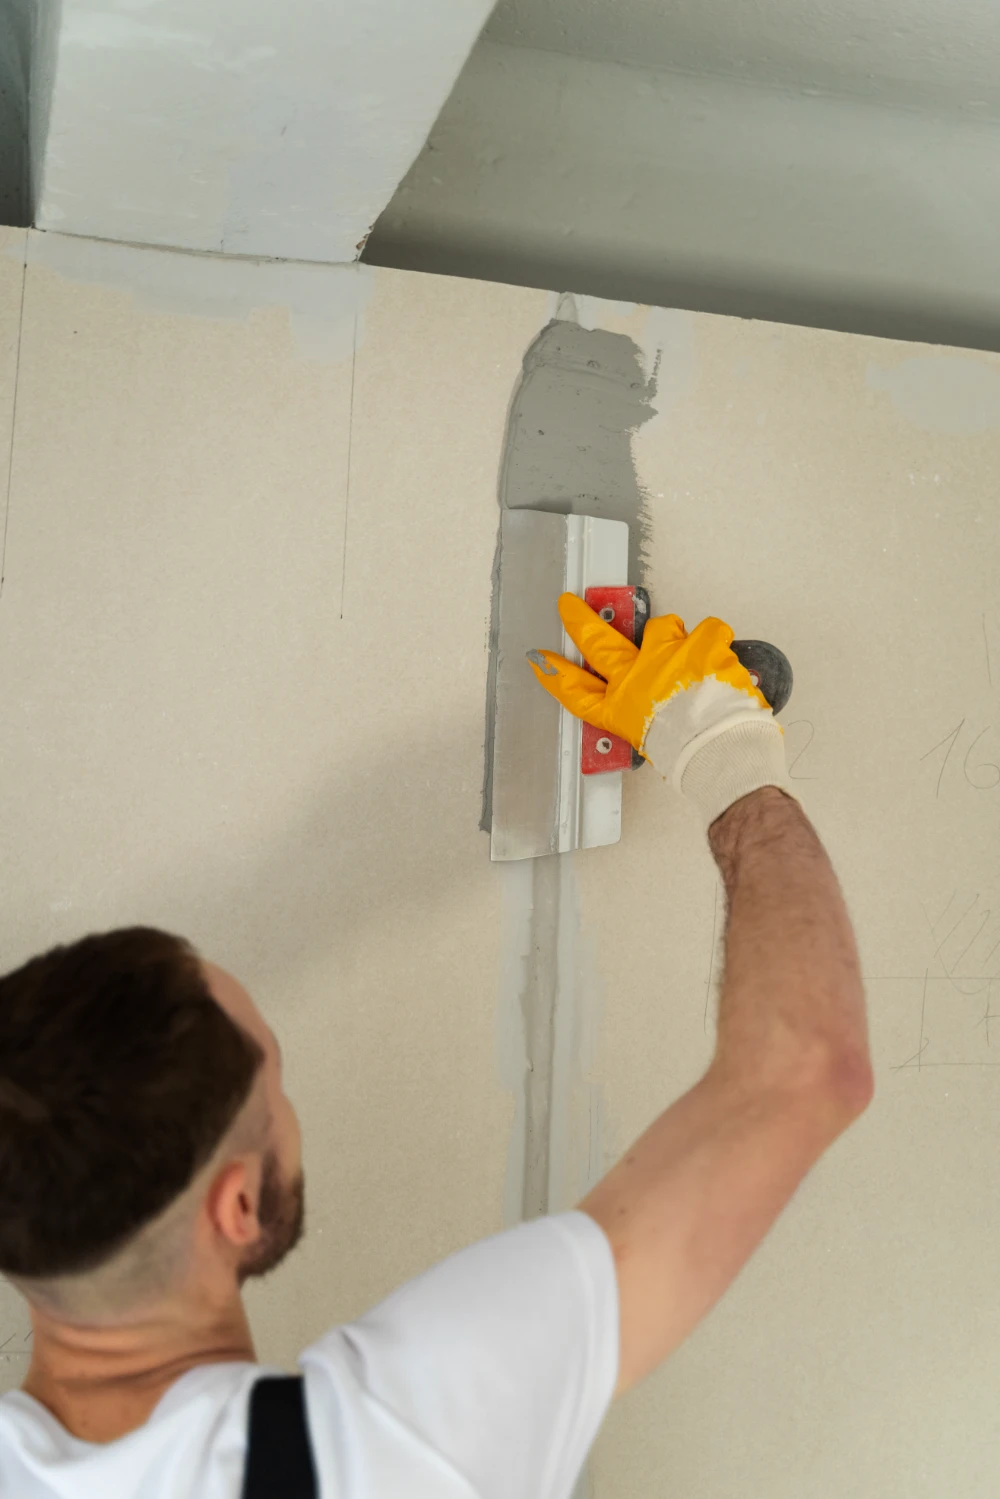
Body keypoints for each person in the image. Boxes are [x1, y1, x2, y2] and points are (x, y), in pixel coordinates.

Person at [0, 596, 872, 1498]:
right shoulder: (387, 1446)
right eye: (278, 1085)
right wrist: (724, 754)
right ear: (237, 1205)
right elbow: (806, 1070)